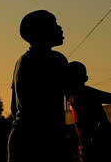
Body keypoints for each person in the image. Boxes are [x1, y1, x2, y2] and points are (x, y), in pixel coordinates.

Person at [8, 10, 70, 162]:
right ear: (42, 32)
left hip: (21, 138)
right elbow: (77, 92)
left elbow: (13, 107)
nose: (60, 28)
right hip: (44, 140)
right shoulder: (55, 60)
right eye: (54, 25)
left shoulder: (21, 61)